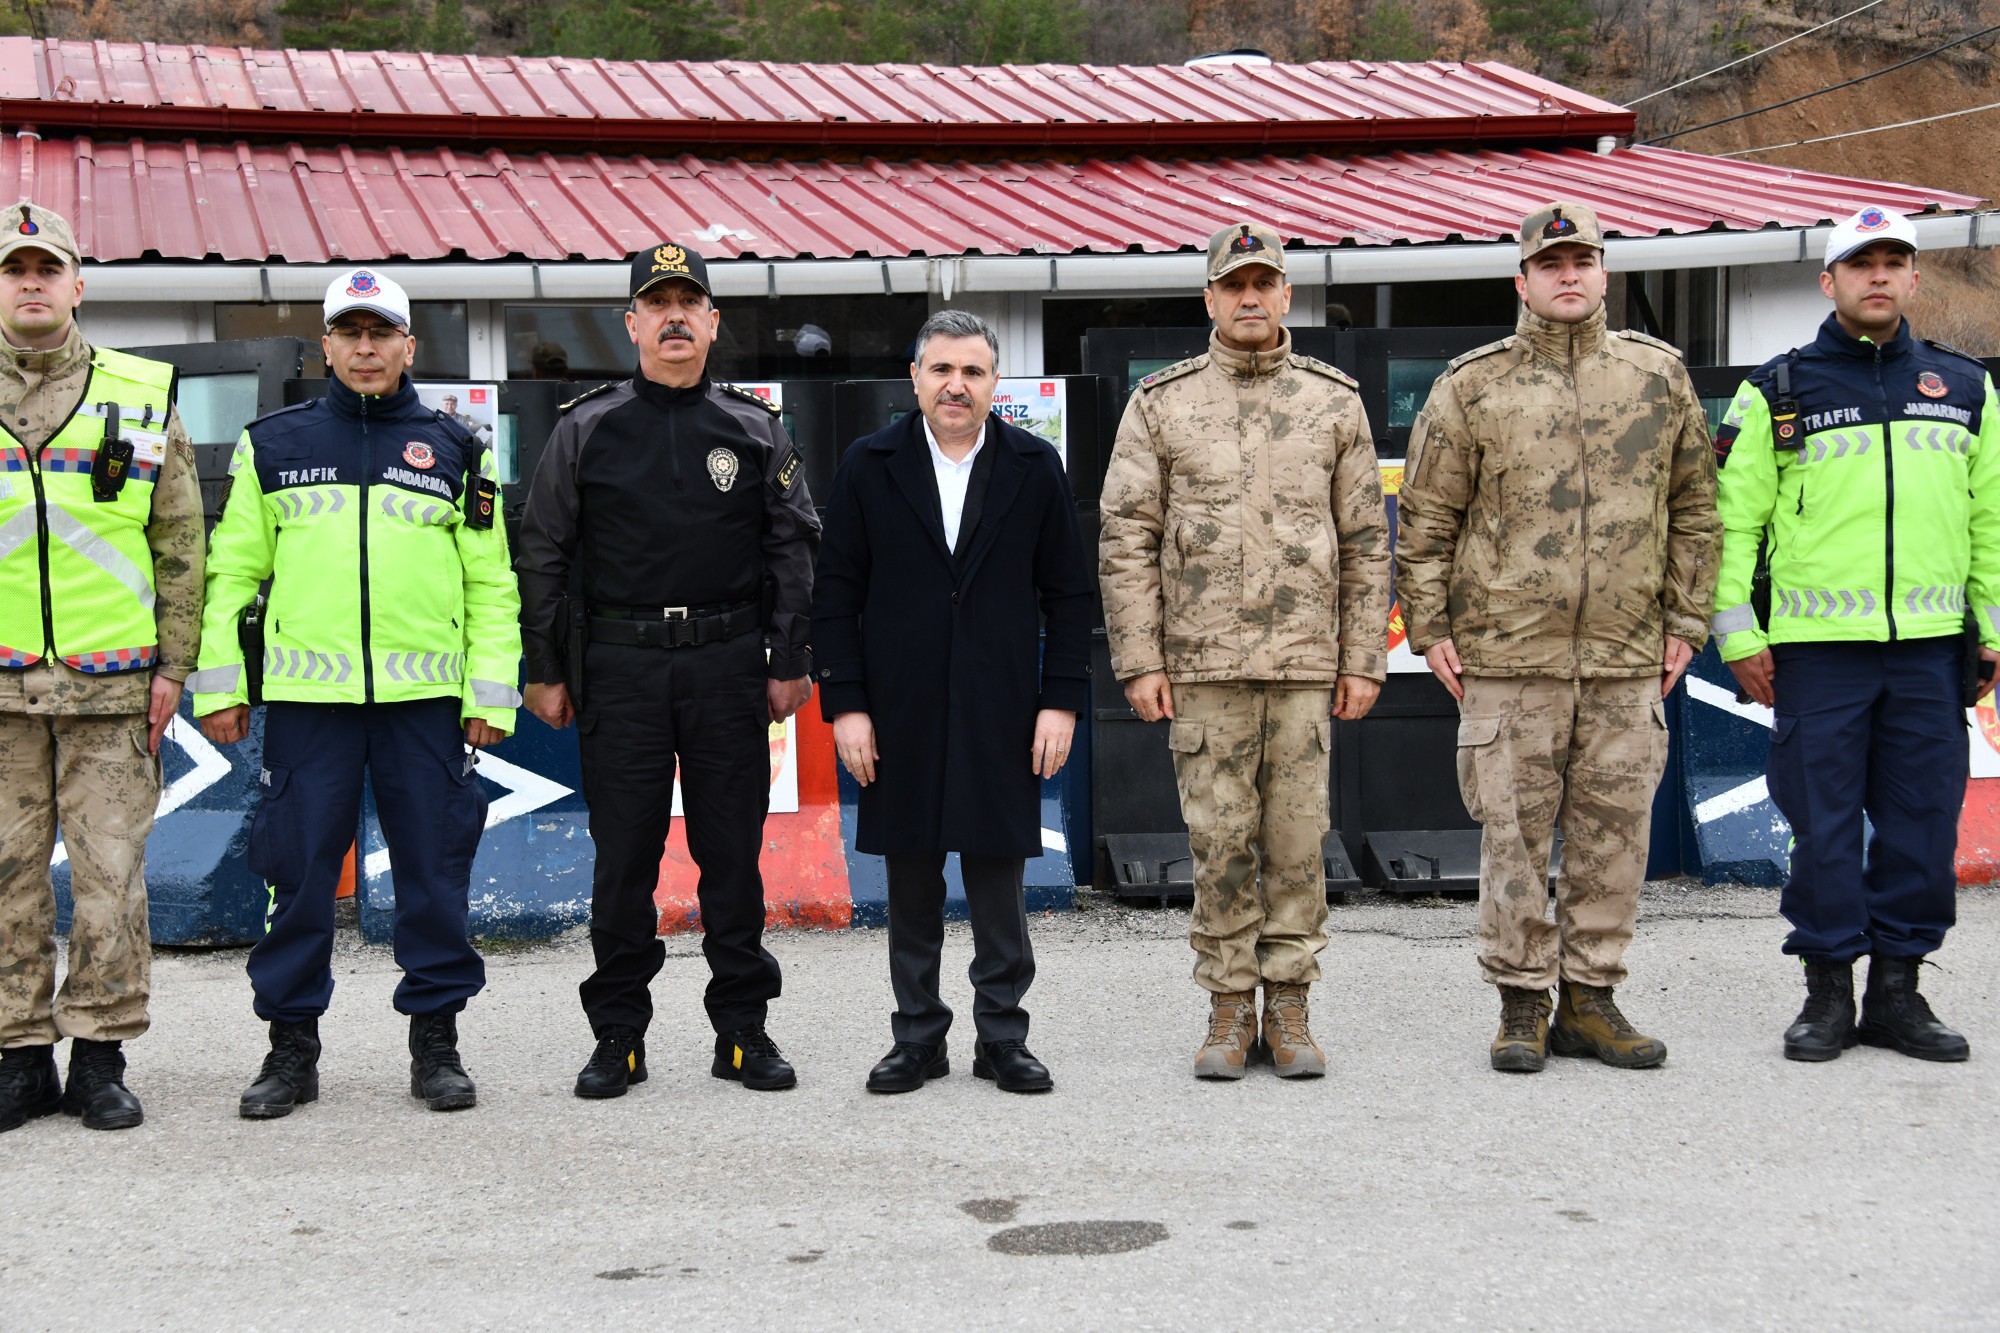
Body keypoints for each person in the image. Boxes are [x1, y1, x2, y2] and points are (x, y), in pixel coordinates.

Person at [1395, 201, 1719, 1075]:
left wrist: (1687, 619)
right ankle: (1521, 1000)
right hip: (1509, 657)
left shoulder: (1657, 377)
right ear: (1522, 280)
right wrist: (1429, 627)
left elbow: (1696, 507)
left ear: (1605, 274)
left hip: (1625, 655)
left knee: (1615, 839)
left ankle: (1591, 999)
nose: (1568, 275)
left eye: (1582, 261)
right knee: (1512, 838)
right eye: (1550, 264)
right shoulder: (1473, 385)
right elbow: (1424, 520)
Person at [190, 268, 522, 1118]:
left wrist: (491, 695)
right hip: (309, 709)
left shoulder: (458, 449)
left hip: (426, 707)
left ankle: (436, 1043)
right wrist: (219, 685)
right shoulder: (273, 444)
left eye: (381, 333)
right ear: (327, 345)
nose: (366, 348)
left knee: (433, 877)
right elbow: (230, 576)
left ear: (410, 346)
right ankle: (290, 1049)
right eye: (350, 332)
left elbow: (491, 582)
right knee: (297, 877)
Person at [516, 241, 820, 1098]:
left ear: (714, 322)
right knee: (623, 863)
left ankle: (742, 1030)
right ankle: (618, 1034)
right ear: (632, 323)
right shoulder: (586, 427)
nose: (675, 317)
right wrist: (544, 667)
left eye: (690, 303)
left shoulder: (754, 428)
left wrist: (790, 656)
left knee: (732, 857)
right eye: (659, 304)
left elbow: (794, 544)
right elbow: (541, 552)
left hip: (728, 666)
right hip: (622, 669)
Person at [1100, 222, 1391, 1081]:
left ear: (1288, 295)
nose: (1251, 298)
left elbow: (1366, 539)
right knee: (1219, 843)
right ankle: (1229, 1007)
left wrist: (1363, 656)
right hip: (1203, 668)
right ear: (1210, 299)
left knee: (1298, 845)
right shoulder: (1162, 403)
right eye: (1235, 285)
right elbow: (1126, 537)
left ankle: (1289, 1006)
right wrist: (1140, 659)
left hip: (1304, 666)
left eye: (1265, 283)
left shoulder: (1333, 402)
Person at [1712, 205, 1999, 1063]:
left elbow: (1991, 522)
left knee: (1922, 831)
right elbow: (1732, 526)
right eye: (1860, 263)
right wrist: (1737, 636)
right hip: (1816, 656)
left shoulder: (1968, 388)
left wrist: (1991, 630)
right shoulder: (1776, 390)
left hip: (1930, 653)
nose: (1878, 276)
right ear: (1827, 280)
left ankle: (1898, 995)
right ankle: (1828, 993)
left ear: (1913, 278)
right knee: (1825, 832)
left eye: (1893, 262)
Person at [813, 309, 1092, 1095]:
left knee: (999, 880)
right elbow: (835, 593)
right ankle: (918, 1036)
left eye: (972, 371)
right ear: (915, 377)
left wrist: (1061, 700)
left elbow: (1069, 595)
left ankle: (1002, 1035)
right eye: (941, 369)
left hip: (1003, 707)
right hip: (897, 708)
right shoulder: (869, 463)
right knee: (910, 880)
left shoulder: (1034, 465)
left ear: (995, 381)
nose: (956, 385)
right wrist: (847, 704)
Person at [0, 202, 203, 1133]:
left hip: (113, 686)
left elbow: (180, 540)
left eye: (47, 269)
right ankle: (18, 1057)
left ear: (78, 285)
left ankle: (99, 1058)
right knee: (5, 880)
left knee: (111, 880)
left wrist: (176, 663)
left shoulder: (141, 392)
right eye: (14, 270)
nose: (31, 283)